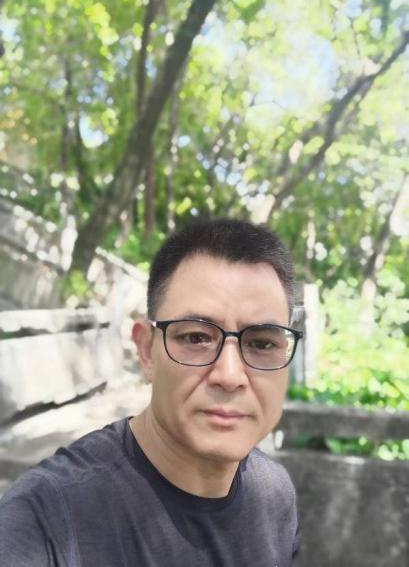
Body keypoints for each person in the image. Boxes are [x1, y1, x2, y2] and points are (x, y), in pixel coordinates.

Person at [0, 218, 302, 566]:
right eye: (196, 338)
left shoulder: (275, 494)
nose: (230, 375)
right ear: (146, 352)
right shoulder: (44, 521)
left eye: (262, 344)